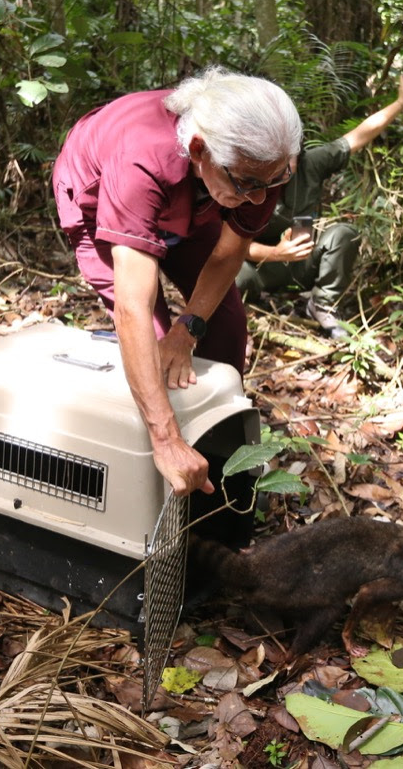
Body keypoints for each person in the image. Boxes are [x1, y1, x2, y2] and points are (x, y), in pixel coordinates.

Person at [52, 67, 301, 498]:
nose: (261, 198)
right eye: (249, 184)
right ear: (200, 149)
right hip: (100, 202)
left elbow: (229, 253)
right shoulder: (141, 160)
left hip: (195, 201)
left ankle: (222, 475)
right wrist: (165, 436)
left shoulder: (261, 164)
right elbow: (133, 306)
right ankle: (160, 481)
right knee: (152, 344)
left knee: (225, 326)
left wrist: (189, 329)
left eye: (275, 181)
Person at [236, 76, 403, 339]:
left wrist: (400, 103)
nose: (283, 169)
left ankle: (322, 304)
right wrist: (275, 253)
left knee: (344, 233)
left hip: (301, 265)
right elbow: (232, 244)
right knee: (232, 276)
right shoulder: (247, 176)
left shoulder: (311, 164)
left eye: (289, 159)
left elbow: (359, 136)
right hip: (259, 269)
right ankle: (244, 313)